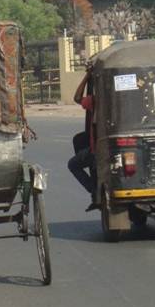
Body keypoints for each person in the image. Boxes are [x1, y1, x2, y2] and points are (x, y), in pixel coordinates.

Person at [67, 68, 98, 208]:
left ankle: (94, 190)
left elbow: (77, 98)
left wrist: (87, 76)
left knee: (73, 164)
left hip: (98, 150)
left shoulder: (96, 100)